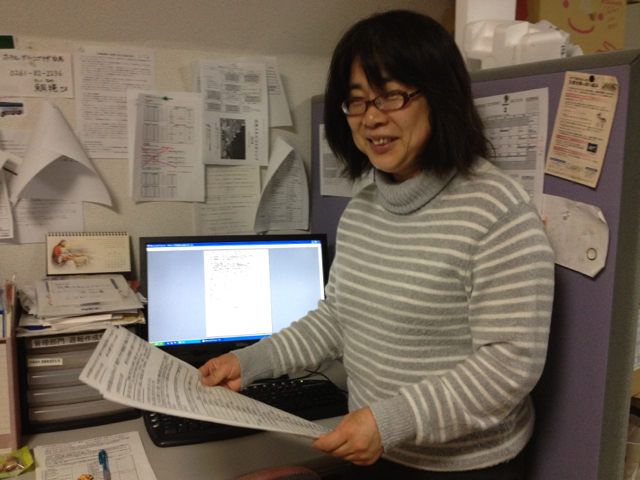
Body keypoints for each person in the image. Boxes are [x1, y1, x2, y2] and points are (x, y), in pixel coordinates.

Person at [199, 10, 554, 479]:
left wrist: (390, 422)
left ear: (440, 95)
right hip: (376, 449)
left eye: (391, 95)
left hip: (463, 466)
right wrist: (249, 362)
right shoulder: (364, 206)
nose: (371, 117)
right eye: (357, 101)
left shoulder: (497, 211)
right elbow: (338, 318)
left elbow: (509, 365)